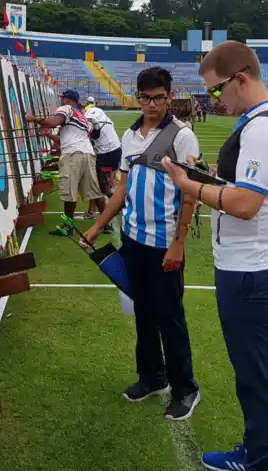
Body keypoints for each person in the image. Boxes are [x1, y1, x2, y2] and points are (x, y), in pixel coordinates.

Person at [159, 41, 268, 471]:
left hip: (253, 270)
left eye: (216, 90)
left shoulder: (263, 128)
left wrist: (189, 185)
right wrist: (207, 176)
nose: (213, 100)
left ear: (240, 78)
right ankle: (256, 454)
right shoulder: (262, 120)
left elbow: (245, 203)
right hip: (252, 266)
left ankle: (258, 462)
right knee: (256, 374)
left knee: (259, 378)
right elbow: (245, 189)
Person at [84, 67, 201, 421]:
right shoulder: (130, 134)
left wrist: (179, 243)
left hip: (164, 244)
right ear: (137, 97)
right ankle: (152, 377)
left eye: (159, 98)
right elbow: (122, 188)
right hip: (133, 239)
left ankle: (185, 389)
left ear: (170, 96)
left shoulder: (182, 136)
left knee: (170, 318)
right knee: (144, 314)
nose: (152, 104)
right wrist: (98, 226)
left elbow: (189, 195)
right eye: (145, 98)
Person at [25, 89, 105, 236]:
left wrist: (33, 119)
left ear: (68, 99)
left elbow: (53, 122)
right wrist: (49, 135)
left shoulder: (66, 109)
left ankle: (68, 227)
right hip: (88, 154)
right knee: (94, 191)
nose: (61, 100)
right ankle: (106, 225)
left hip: (73, 155)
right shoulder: (82, 116)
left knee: (70, 192)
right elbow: (69, 138)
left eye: (63, 98)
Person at [82, 97, 121, 223]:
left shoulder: (87, 117)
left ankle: (118, 206)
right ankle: (92, 211)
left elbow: (89, 136)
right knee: (108, 182)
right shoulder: (102, 115)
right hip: (116, 149)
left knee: (98, 184)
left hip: (106, 153)